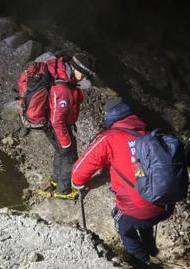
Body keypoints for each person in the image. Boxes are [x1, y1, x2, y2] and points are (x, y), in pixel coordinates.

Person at [71, 98, 174, 268]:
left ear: (110, 118)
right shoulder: (151, 135)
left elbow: (77, 174)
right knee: (142, 214)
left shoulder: (109, 138)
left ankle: (141, 263)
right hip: (166, 204)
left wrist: (78, 184)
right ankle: (151, 249)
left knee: (123, 225)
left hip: (141, 210)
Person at [44, 53, 95, 199]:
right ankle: (63, 191)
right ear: (75, 68)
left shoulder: (67, 79)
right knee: (69, 156)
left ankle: (56, 180)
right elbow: (57, 120)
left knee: (60, 152)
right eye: (83, 74)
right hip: (57, 127)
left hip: (58, 126)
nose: (84, 78)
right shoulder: (62, 90)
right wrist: (66, 142)